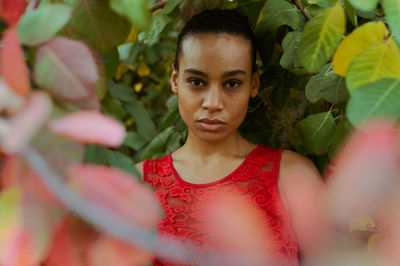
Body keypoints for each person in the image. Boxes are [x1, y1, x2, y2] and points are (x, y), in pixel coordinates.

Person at [136, 8, 324, 266]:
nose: (213, 103)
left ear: (254, 84)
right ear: (175, 80)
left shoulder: (292, 177)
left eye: (232, 83)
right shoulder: (136, 186)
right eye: (197, 82)